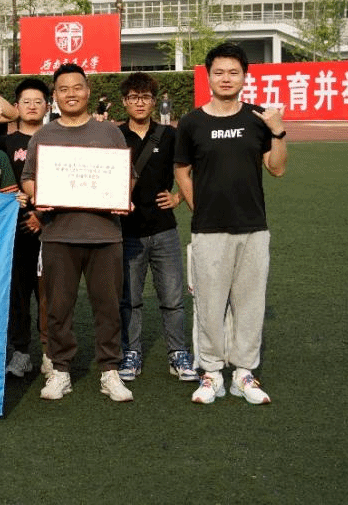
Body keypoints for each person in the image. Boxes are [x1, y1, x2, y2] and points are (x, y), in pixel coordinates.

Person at [175, 42, 287, 406]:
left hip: (253, 227)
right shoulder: (191, 123)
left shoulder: (258, 118)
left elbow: (277, 168)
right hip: (209, 230)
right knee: (209, 304)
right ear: (208, 76)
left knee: (250, 304)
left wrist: (278, 131)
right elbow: (182, 170)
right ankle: (210, 373)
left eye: (233, 72)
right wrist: (199, 207)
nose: (226, 78)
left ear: (244, 77)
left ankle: (243, 373)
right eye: (219, 72)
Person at [20, 64, 133, 403]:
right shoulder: (43, 135)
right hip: (58, 234)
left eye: (77, 87)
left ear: (88, 91)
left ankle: (110, 370)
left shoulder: (110, 133)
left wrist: (122, 196)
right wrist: (41, 193)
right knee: (58, 308)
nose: (71, 94)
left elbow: (128, 177)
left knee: (108, 307)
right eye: (63, 89)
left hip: (104, 235)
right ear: (55, 96)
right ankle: (60, 370)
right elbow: (27, 179)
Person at [116, 72, 197, 385]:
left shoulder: (169, 135)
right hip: (127, 231)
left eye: (145, 97)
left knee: (173, 299)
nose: (140, 103)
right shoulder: (115, 135)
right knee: (130, 299)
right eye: (133, 97)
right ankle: (131, 352)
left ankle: (178, 353)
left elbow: (190, 168)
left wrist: (178, 197)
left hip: (164, 229)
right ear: (124, 102)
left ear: (155, 102)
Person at [0, 78, 52, 378]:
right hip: (13, 230)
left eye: (38, 101)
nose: (32, 106)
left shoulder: (57, 138)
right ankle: (20, 352)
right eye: (25, 102)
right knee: (16, 294)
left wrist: (41, 215)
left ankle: (51, 353)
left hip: (51, 227)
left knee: (50, 294)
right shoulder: (4, 143)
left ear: (47, 106)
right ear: (16, 107)